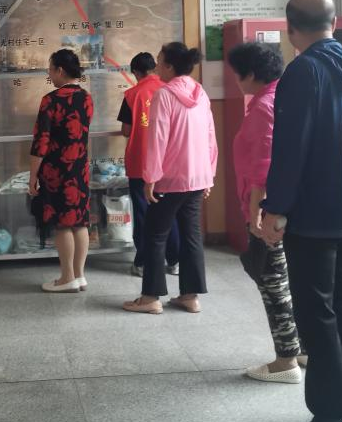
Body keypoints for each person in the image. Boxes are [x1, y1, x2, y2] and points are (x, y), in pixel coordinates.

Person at [259, 0, 342, 422]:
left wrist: (276, 207)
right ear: (333, 21)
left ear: (290, 28)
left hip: (314, 213)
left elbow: (290, 148)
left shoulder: (303, 71)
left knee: (315, 314)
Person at [227, 42, 306, 384]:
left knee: (272, 283)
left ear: (251, 74)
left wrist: (256, 211)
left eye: (237, 74)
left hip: (269, 209)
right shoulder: (283, 98)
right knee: (290, 280)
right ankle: (302, 348)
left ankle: (285, 360)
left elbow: (263, 165)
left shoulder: (263, 106)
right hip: (291, 206)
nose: (236, 80)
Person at [122, 42, 217, 314]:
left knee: (155, 235)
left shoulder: (164, 95)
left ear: (169, 66)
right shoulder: (200, 93)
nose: (156, 67)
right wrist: (209, 175)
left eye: (160, 61)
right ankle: (190, 296)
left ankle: (150, 298)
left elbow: (157, 140)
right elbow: (210, 137)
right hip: (197, 177)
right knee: (191, 236)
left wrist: (150, 177)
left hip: (170, 179)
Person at [29, 49, 94, 293]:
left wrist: (32, 177)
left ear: (60, 70)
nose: (49, 73)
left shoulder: (50, 100)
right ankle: (80, 276)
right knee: (80, 221)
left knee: (62, 224)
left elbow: (41, 143)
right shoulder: (86, 98)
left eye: (50, 69)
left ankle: (67, 278)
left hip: (57, 171)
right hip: (80, 168)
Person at [117, 52, 180, 277]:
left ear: (136, 72)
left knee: (143, 213)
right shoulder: (170, 90)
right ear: (154, 68)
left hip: (141, 163)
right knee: (169, 212)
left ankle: (143, 263)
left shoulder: (132, 94)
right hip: (168, 162)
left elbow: (126, 130)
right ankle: (174, 261)